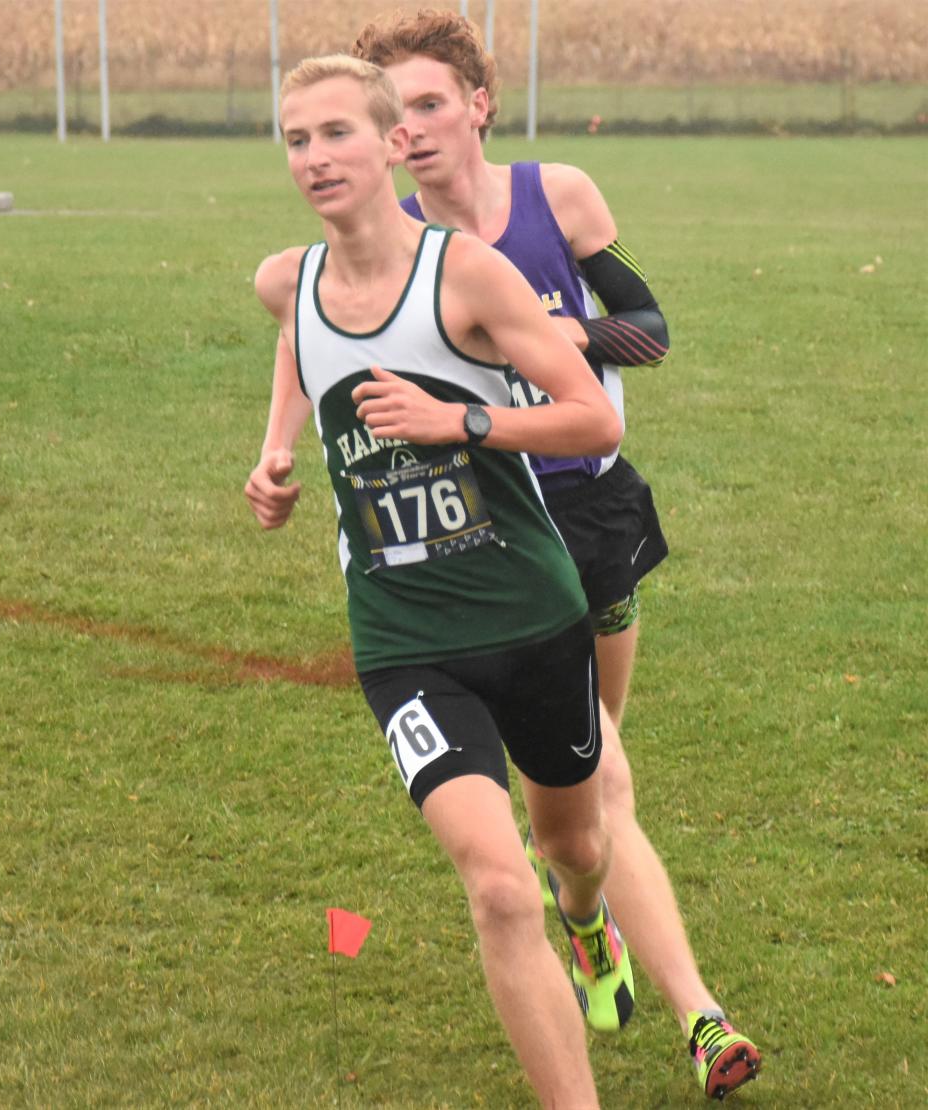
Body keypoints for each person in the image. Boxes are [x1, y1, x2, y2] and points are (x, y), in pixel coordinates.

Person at [351, 9, 761, 1101]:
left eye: (432, 103)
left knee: (586, 799)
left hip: (593, 513)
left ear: (480, 104)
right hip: (490, 543)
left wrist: (552, 331)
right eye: (394, 114)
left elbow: (653, 328)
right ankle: (702, 1018)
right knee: (598, 789)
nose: (413, 130)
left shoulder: (557, 196)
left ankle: (586, 916)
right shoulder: (388, 241)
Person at [245, 53, 631, 1106]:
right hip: (404, 639)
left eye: (335, 134)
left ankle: (591, 922)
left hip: (533, 614)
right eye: (295, 139)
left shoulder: (462, 275)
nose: (315, 158)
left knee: (572, 846)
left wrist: (461, 419)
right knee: (501, 889)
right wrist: (275, 453)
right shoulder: (294, 279)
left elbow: (593, 415)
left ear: (390, 144)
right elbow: (299, 336)